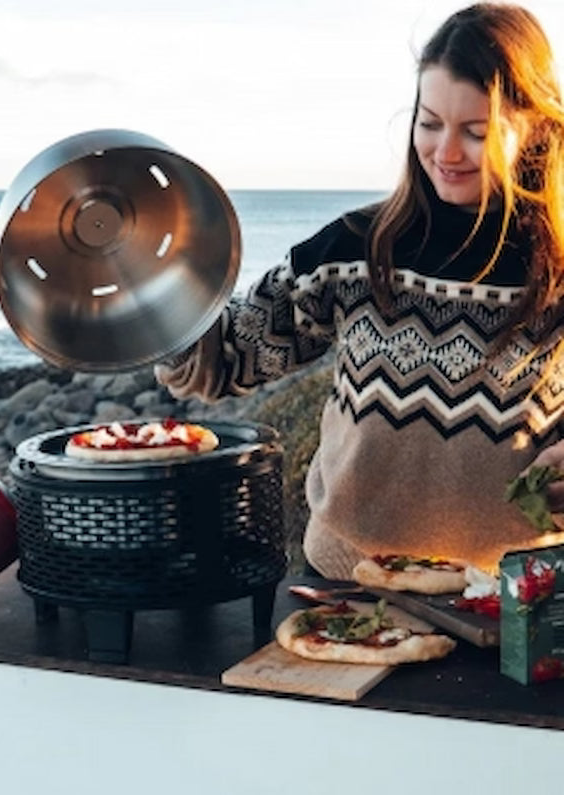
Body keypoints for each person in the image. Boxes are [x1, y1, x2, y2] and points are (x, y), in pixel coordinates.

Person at [155, 2, 564, 578]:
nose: (445, 153)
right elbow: (221, 361)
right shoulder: (353, 250)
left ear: (537, 125)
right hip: (348, 586)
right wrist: (144, 290)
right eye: (429, 123)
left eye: (475, 132)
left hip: (512, 602)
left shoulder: (557, 268)